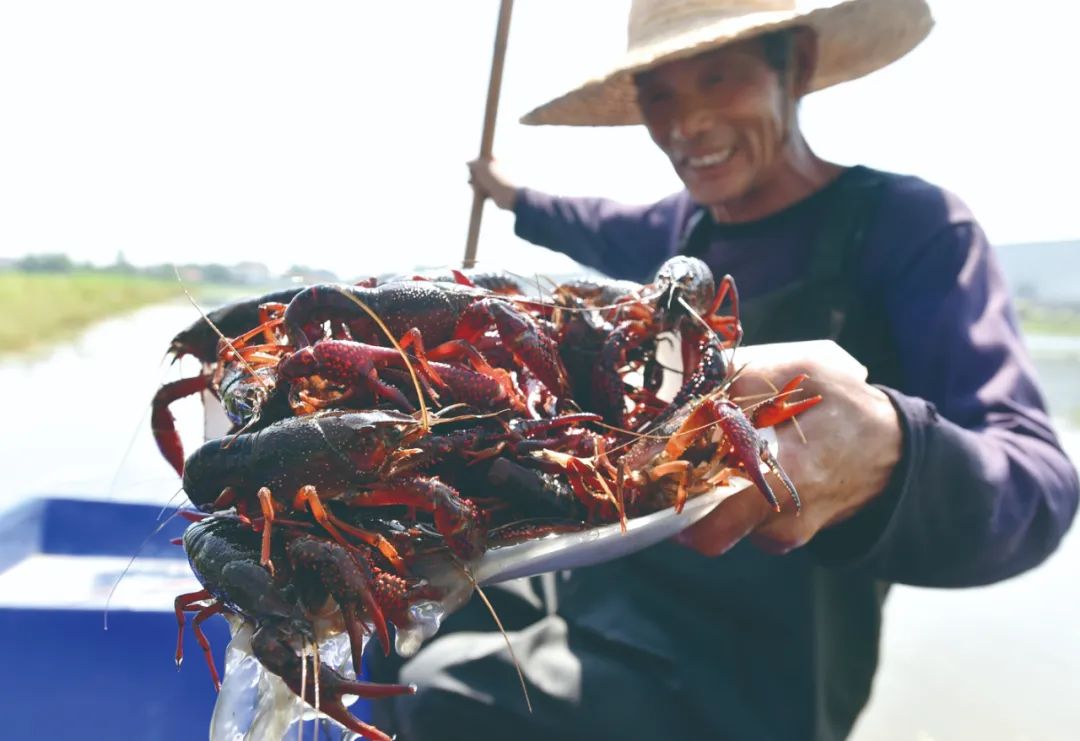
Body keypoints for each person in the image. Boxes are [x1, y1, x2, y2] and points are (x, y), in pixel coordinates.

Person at [367, 1, 1080, 738]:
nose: (687, 125)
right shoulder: (683, 229)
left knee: (445, 704)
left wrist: (894, 451)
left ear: (794, 66)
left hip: (760, 672)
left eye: (717, 78)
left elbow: (1040, 486)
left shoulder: (910, 227)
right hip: (615, 581)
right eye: (660, 95)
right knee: (394, 605)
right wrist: (508, 194)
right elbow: (587, 219)